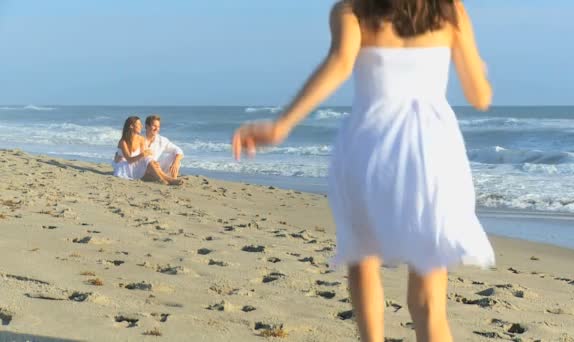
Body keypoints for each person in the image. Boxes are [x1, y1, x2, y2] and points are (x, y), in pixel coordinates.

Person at [232, 1, 495, 341]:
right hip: (433, 151)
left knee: (364, 256)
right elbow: (479, 96)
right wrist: (478, 70)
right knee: (429, 299)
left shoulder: (353, 9)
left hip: (370, 143)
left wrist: (283, 124)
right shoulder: (449, 9)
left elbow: (340, 64)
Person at [113, 116, 183, 186]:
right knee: (148, 159)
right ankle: (166, 179)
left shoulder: (158, 140)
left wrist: (175, 162)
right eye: (154, 126)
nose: (157, 129)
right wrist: (117, 155)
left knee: (173, 157)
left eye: (158, 126)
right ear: (147, 126)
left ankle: (171, 178)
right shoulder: (126, 140)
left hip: (150, 165)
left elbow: (178, 150)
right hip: (132, 166)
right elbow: (134, 157)